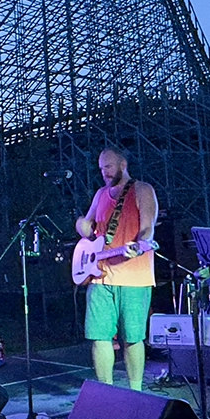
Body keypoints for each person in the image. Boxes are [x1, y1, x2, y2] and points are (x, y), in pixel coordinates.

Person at [75, 147, 159, 391]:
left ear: (123, 164)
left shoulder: (142, 190)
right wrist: (82, 225)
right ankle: (106, 390)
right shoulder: (101, 194)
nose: (104, 172)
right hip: (100, 276)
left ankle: (136, 390)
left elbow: (148, 229)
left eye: (108, 167)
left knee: (133, 338)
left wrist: (140, 244)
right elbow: (88, 227)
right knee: (99, 336)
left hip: (134, 276)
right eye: (101, 168)